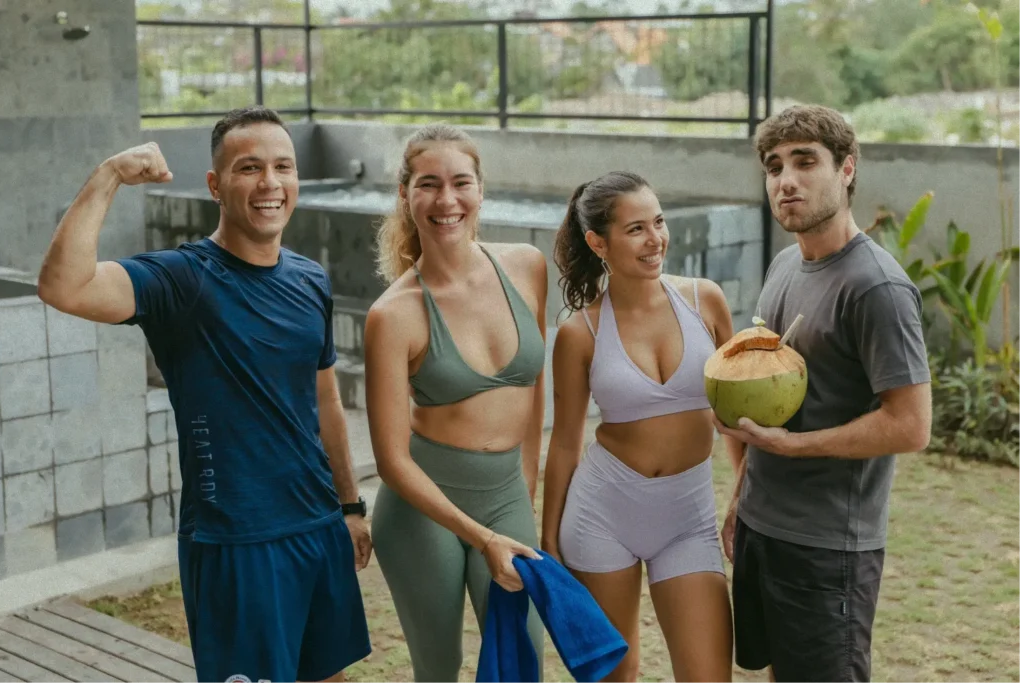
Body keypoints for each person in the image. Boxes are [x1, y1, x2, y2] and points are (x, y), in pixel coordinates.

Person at [37, 105, 372, 683]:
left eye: (282, 167)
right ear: (216, 185)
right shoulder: (181, 279)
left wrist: (348, 506)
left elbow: (325, 402)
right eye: (249, 168)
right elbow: (64, 286)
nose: (270, 184)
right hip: (236, 542)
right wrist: (109, 175)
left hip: (316, 526)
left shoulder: (309, 278)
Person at [715, 104, 933, 683]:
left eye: (805, 161)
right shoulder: (786, 264)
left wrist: (793, 447)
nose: (786, 180)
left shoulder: (877, 287)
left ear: (847, 169)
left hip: (828, 547)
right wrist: (742, 496)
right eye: (774, 165)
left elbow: (910, 425)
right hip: (765, 525)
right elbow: (767, 393)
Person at [363, 123, 548, 683]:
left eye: (460, 182)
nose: (447, 200)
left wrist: (525, 484)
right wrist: (482, 536)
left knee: (521, 663)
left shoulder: (527, 266)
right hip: (423, 508)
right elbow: (392, 461)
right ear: (405, 195)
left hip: (505, 494)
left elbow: (534, 390)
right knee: (439, 668)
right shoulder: (393, 316)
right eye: (429, 184)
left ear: (481, 189)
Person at [541, 170, 741, 683]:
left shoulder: (706, 301)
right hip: (602, 516)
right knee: (615, 676)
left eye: (659, 222)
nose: (656, 240)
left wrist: (744, 494)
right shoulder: (580, 332)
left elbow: (736, 415)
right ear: (597, 242)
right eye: (635, 229)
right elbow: (564, 444)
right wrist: (550, 547)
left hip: (688, 517)